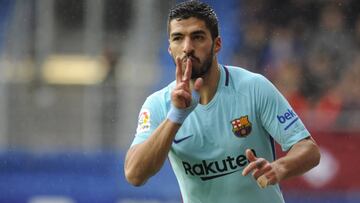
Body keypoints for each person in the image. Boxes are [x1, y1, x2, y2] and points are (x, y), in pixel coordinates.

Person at [124, 1, 320, 203]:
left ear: (217, 44)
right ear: (170, 49)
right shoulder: (158, 105)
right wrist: (176, 116)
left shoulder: (254, 87)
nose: (187, 47)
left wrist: (279, 167)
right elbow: (134, 174)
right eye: (178, 38)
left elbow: (309, 150)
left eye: (197, 37)